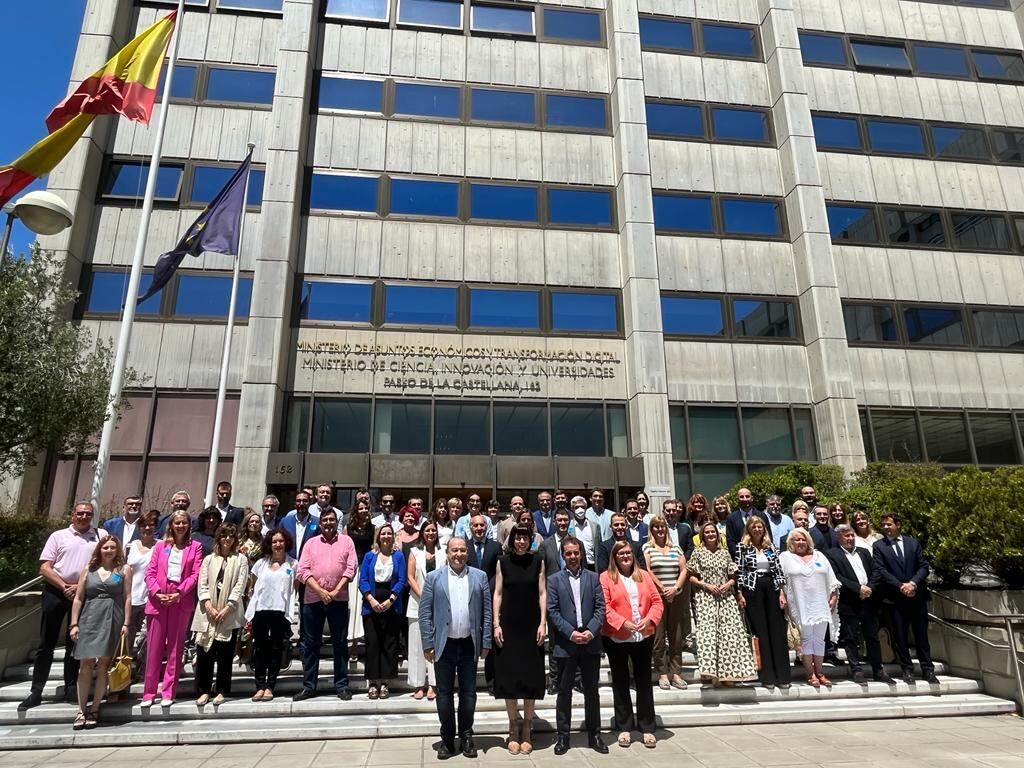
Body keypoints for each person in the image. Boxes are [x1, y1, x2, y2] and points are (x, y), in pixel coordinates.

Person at [20, 502, 110, 712]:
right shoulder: (58, 536)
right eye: (80, 513)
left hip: (85, 593)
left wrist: (79, 587)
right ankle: (36, 690)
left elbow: (103, 564)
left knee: (75, 643)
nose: (84, 517)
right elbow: (44, 567)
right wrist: (64, 586)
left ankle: (71, 686)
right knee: (46, 643)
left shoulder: (99, 535)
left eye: (88, 514)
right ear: (72, 515)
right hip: (55, 593)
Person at [419, 536, 493, 760]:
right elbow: (425, 614)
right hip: (444, 645)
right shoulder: (434, 578)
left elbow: (487, 612)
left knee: (469, 693)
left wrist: (486, 641)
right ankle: (448, 738)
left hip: (469, 644)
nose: (459, 554)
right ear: (447, 553)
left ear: (467, 553)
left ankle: (467, 735)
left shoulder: (479, 577)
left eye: (462, 550)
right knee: (444, 694)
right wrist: (427, 643)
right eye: (454, 550)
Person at [547, 537, 607, 756]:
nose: (572, 557)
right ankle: (563, 737)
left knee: (592, 692)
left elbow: (601, 607)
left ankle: (595, 735)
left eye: (576, 553)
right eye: (568, 553)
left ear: (581, 554)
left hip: (590, 643)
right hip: (566, 644)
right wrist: (570, 633)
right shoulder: (554, 580)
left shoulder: (593, 578)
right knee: (564, 693)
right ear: (563, 555)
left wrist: (590, 631)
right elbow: (552, 611)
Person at [600, 541, 663, 749]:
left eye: (628, 553)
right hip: (617, 636)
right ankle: (624, 726)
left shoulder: (644, 575)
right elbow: (605, 606)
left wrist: (649, 620)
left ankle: (647, 727)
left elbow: (657, 601)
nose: (625, 556)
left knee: (644, 681)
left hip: (643, 636)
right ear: (614, 557)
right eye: (621, 554)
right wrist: (622, 623)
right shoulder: (605, 578)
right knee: (620, 681)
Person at [493, 525, 547, 755]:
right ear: (512, 540)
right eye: (518, 538)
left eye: (525, 538)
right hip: (509, 625)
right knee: (510, 677)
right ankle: (513, 726)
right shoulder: (503, 562)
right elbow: (498, 593)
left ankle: (527, 726)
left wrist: (543, 622)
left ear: (530, 540)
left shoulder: (538, 562)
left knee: (530, 676)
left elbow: (542, 592)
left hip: (531, 625)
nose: (522, 542)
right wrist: (496, 623)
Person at [294, 508, 358, 701]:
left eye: (332, 520)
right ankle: (309, 686)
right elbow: (302, 571)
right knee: (311, 645)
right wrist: (321, 592)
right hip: (313, 600)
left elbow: (350, 568)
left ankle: (342, 686)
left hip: (338, 600)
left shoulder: (346, 541)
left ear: (336, 522)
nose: (328, 523)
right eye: (325, 520)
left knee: (340, 644)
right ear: (320, 523)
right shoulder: (310, 543)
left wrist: (335, 591)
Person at [142, 509, 204, 707]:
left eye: (184, 522)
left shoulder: (195, 547)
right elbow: (150, 572)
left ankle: (168, 691)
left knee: (175, 649)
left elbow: (195, 574)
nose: (180, 526)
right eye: (177, 522)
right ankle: (149, 692)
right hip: (158, 600)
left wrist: (179, 593)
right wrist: (157, 592)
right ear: (171, 525)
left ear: (189, 525)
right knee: (154, 648)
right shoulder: (161, 546)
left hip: (180, 600)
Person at [69, 535, 131, 729]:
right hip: (90, 617)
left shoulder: (124, 570)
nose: (109, 550)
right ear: (99, 549)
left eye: (113, 547)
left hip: (112, 617)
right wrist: (74, 623)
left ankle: (95, 708)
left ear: (117, 550)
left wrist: (126, 624)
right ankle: (81, 709)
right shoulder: (89, 570)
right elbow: (78, 598)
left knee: (103, 664)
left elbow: (128, 597)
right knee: (85, 665)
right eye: (106, 547)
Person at [688, 522, 757, 688]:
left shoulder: (725, 553)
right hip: (706, 597)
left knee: (728, 635)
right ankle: (712, 675)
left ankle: (729, 674)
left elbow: (733, 576)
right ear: (703, 535)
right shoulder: (698, 553)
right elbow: (691, 576)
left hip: (725, 597)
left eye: (713, 532)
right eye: (707, 532)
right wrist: (706, 585)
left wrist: (728, 585)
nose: (711, 535)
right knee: (709, 636)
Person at [873, 513, 938, 685]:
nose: (886, 527)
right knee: (900, 637)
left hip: (916, 597)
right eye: (884, 525)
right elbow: (881, 570)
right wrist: (901, 586)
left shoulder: (912, 543)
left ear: (898, 525)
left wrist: (913, 584)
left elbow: (923, 566)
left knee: (921, 636)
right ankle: (907, 670)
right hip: (895, 599)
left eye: (889, 524)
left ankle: (928, 669)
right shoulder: (879, 546)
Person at [825, 524, 892, 685]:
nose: (850, 539)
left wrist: (870, 587)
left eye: (851, 535)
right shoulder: (832, 554)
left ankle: (878, 669)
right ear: (838, 537)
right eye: (846, 536)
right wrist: (858, 588)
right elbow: (837, 576)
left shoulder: (864, 552)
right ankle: (856, 669)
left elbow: (876, 571)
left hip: (868, 600)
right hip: (849, 601)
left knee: (872, 636)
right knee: (850, 637)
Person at [191, 523, 248, 705]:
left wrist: (227, 608)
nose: (227, 540)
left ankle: (222, 690)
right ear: (219, 538)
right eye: (224, 536)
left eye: (231, 536)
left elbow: (240, 585)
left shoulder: (241, 559)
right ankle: (204, 690)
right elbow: (203, 583)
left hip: (228, 613)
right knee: (205, 653)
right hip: (208, 612)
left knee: (225, 655)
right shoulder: (209, 559)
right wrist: (208, 605)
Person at [735, 516, 791, 690]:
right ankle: (767, 676)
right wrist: (739, 593)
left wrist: (782, 591)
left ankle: (782, 676)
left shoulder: (770, 547)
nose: (757, 529)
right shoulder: (742, 547)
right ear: (749, 529)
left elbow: (778, 570)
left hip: (771, 587)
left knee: (776, 631)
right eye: (754, 527)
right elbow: (739, 571)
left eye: (760, 526)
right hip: (752, 589)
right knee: (761, 632)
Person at [779, 528, 839, 688]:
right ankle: (810, 673)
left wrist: (833, 596)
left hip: (820, 604)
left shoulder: (819, 556)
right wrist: (781, 594)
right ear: (790, 542)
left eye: (803, 539)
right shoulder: (785, 557)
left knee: (819, 640)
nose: (800, 542)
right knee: (806, 640)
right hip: (799, 604)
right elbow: (779, 580)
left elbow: (832, 579)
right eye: (796, 540)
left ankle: (820, 672)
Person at [247, 528, 297, 702]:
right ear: (270, 543)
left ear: (286, 543)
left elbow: (294, 591)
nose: (278, 544)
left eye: (281, 541)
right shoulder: (260, 564)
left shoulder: (293, 565)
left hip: (280, 612)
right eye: (275, 541)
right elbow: (253, 588)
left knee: (276, 649)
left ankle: (270, 686)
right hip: (261, 610)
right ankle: (259, 686)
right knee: (260, 649)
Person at [359, 523, 407, 699]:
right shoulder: (369, 557)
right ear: (378, 537)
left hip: (391, 604)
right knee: (372, 643)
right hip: (370, 604)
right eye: (383, 533)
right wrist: (370, 599)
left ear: (393, 536)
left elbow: (402, 580)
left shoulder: (399, 556)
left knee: (389, 643)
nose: (386, 536)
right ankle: (372, 682)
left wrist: (391, 600)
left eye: (389, 533)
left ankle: (385, 682)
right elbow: (362, 580)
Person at [643, 515, 689, 690]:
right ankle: (662, 673)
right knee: (659, 636)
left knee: (676, 635)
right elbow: (646, 569)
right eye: (656, 527)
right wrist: (662, 587)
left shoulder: (676, 548)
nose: (660, 529)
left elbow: (684, 569)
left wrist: (675, 588)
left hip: (675, 595)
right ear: (652, 529)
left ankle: (676, 673)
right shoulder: (647, 548)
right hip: (657, 596)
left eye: (662, 526)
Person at [408, 520, 445, 701]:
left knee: (435, 646)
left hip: (439, 604)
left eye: (433, 531)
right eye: (427, 530)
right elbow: (410, 576)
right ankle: (418, 684)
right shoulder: (415, 552)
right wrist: (424, 595)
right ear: (422, 533)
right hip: (417, 603)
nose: (431, 533)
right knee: (417, 645)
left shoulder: (443, 552)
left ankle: (433, 684)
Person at [344, 499, 374, 656]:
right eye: (361, 508)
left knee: (363, 606)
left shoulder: (374, 529)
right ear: (356, 511)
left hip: (367, 570)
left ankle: (363, 640)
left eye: (366, 508)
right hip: (352, 570)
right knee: (352, 606)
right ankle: (352, 643)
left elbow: (374, 550)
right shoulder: (347, 528)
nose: (364, 511)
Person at [126, 511, 157, 657]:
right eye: (144, 525)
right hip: (130, 598)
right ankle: (125, 669)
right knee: (127, 635)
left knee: (146, 636)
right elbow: (120, 572)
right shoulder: (129, 547)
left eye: (151, 525)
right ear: (139, 527)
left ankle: (141, 667)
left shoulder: (161, 546)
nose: (147, 528)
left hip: (150, 599)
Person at [725, 488, 769, 559]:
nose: (745, 499)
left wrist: (762, 554)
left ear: (752, 498)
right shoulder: (731, 518)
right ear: (737, 499)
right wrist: (742, 556)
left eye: (747, 496)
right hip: (740, 559)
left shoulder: (762, 516)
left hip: (761, 557)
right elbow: (730, 542)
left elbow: (768, 537)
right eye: (741, 497)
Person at [280, 489, 320, 559]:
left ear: (310, 502)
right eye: (298, 501)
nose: (301, 503)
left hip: (309, 563)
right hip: (289, 563)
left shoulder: (317, 522)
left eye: (305, 501)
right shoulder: (285, 522)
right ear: (295, 503)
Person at [467, 513, 501, 582]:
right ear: (471, 528)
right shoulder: (464, 546)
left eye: (482, 525)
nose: (479, 528)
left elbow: (498, 573)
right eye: (476, 525)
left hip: (490, 589)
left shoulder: (496, 547)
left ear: (486, 527)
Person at [569, 496, 600, 570]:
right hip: (576, 564)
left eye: (582, 507)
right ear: (572, 509)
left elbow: (599, 545)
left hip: (592, 564)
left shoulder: (595, 526)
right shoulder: (569, 527)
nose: (580, 509)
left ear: (586, 508)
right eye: (577, 507)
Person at [539, 509, 572, 577]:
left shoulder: (577, 543)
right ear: (554, 522)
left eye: (565, 520)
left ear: (569, 522)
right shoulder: (544, 545)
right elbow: (541, 572)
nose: (563, 523)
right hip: (552, 586)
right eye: (559, 520)